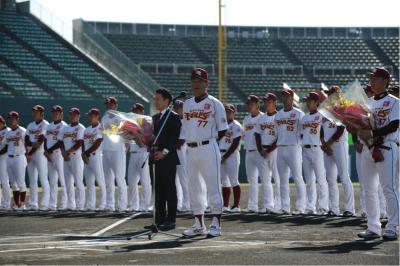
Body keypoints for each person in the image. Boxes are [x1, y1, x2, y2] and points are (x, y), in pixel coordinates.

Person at [180, 68, 228, 237]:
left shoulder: (215, 103)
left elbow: (223, 130)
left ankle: (216, 223)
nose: (196, 84)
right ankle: (199, 224)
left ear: (207, 83)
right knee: (194, 187)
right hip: (191, 149)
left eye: (199, 81)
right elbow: (186, 128)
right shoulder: (187, 104)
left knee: (213, 185)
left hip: (208, 147)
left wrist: (211, 140)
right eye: (193, 81)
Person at [354, 67, 399, 240]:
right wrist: (354, 127)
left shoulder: (395, 102)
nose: (372, 81)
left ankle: (392, 226)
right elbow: (361, 125)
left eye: (375, 78)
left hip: (386, 147)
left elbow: (393, 125)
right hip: (368, 149)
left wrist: (372, 134)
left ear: (385, 81)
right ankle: (373, 226)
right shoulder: (368, 102)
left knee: (388, 188)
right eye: (371, 78)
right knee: (369, 189)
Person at [146, 88, 181, 231]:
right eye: (155, 99)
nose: (155, 101)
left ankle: (171, 220)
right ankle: (159, 219)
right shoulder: (154, 118)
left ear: (167, 101)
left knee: (169, 189)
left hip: (167, 158)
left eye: (158, 99)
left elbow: (174, 137)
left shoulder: (173, 116)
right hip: (155, 158)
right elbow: (151, 138)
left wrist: (164, 152)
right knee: (158, 190)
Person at [321, 86, 355, 217]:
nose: (330, 96)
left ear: (339, 94)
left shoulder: (343, 108)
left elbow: (341, 130)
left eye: (333, 93)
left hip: (339, 144)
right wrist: (323, 144)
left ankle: (349, 209)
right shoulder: (324, 110)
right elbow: (322, 129)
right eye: (329, 94)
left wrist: (328, 143)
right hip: (327, 146)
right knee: (330, 178)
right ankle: (333, 208)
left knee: (344, 177)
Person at [353, 85, 386, 219]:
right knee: (365, 183)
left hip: (377, 145)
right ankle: (366, 209)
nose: (366, 94)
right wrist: (356, 142)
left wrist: (371, 142)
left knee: (382, 184)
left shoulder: (376, 106)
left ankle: (383, 210)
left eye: (367, 92)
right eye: (364, 92)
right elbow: (355, 127)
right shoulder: (359, 108)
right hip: (363, 147)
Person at [274, 87, 306, 215]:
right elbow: (276, 132)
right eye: (284, 96)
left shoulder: (299, 114)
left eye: (287, 96)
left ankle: (300, 207)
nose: (285, 98)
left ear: (292, 98)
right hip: (281, 148)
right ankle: (285, 206)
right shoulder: (278, 114)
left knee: (298, 177)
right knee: (283, 180)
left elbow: (303, 133)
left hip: (294, 147)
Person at [300, 92, 329, 215]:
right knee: (309, 181)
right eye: (307, 100)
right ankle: (310, 206)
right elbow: (301, 134)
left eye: (311, 100)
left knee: (321, 180)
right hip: (305, 150)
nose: (308, 102)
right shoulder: (304, 117)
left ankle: (323, 206)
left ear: (317, 102)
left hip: (318, 149)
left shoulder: (322, 115)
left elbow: (324, 131)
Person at [243, 95, 271, 213]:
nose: (249, 106)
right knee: (252, 181)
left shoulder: (263, 118)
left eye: (252, 103)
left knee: (265, 179)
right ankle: (252, 205)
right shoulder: (246, 119)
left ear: (257, 104)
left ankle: (268, 205)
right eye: (248, 104)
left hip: (260, 152)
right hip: (249, 152)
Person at [255, 93, 281, 212]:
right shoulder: (262, 118)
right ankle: (268, 205)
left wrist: (269, 149)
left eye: (269, 101)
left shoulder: (280, 117)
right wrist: (261, 149)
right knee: (265, 180)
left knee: (278, 179)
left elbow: (280, 135)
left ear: (275, 103)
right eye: (265, 101)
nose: (267, 103)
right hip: (263, 151)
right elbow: (257, 134)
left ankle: (279, 205)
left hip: (275, 150)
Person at [101, 96, 128, 212]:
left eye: (111, 104)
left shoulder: (121, 118)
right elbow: (105, 133)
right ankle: (109, 204)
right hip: (106, 149)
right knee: (108, 179)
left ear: (116, 105)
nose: (109, 106)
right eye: (107, 104)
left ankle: (122, 205)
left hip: (117, 150)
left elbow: (124, 132)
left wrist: (125, 146)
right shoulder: (104, 117)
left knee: (120, 179)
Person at [127, 103, 152, 212]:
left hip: (143, 153)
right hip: (133, 153)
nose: (134, 113)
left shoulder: (147, 121)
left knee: (145, 180)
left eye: (136, 111)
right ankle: (133, 205)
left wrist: (136, 134)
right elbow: (128, 137)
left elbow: (146, 139)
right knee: (131, 181)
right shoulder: (130, 122)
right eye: (133, 110)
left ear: (141, 111)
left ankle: (145, 205)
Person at [60, 107, 85, 211]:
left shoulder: (81, 128)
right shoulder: (65, 128)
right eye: (71, 114)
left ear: (78, 116)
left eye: (75, 114)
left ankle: (80, 205)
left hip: (76, 156)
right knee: (68, 182)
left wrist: (67, 152)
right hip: (66, 157)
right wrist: (63, 152)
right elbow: (60, 142)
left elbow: (79, 143)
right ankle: (71, 204)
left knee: (78, 181)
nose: (72, 116)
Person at [25, 105, 50, 211]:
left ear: (41, 113)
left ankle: (45, 204)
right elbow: (26, 139)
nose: (34, 113)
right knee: (32, 180)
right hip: (31, 154)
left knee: (43, 179)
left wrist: (29, 153)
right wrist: (31, 146)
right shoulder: (30, 125)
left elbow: (40, 141)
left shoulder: (46, 125)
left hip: (40, 154)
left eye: (36, 111)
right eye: (33, 111)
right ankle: (33, 204)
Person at [219, 104, 243, 213]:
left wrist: (225, 156)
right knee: (224, 181)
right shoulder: (220, 125)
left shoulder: (237, 126)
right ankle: (225, 205)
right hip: (221, 154)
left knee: (234, 180)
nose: (227, 113)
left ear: (234, 112)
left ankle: (237, 205)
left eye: (230, 111)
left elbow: (235, 144)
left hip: (232, 155)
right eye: (226, 111)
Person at [83, 108, 106, 211]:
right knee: (89, 183)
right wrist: (84, 154)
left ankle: (104, 204)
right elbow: (84, 144)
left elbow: (98, 142)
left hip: (96, 156)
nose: (90, 117)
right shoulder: (86, 129)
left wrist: (86, 153)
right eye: (89, 115)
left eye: (92, 115)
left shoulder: (100, 128)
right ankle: (90, 205)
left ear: (97, 116)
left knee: (101, 182)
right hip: (87, 158)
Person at [45, 105, 68, 211]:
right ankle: (52, 205)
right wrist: (46, 151)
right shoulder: (49, 126)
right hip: (50, 154)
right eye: (53, 112)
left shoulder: (64, 126)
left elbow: (61, 142)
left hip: (59, 154)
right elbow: (46, 140)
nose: (55, 113)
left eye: (57, 112)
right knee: (52, 181)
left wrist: (49, 151)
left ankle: (64, 204)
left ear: (61, 114)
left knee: (63, 181)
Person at [5, 111, 27, 211]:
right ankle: (16, 204)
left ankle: (23, 204)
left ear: (17, 119)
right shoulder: (8, 132)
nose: (11, 120)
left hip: (19, 157)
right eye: (10, 118)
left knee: (21, 182)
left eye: (13, 118)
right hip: (9, 158)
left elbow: (28, 144)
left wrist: (28, 155)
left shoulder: (22, 131)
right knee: (13, 183)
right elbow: (5, 145)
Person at [173, 100, 191, 213]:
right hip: (174, 149)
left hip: (184, 148)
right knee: (175, 179)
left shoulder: (187, 119)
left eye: (180, 107)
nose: (178, 109)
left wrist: (179, 142)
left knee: (184, 177)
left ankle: (186, 203)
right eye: (177, 107)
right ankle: (178, 203)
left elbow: (186, 135)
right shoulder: (173, 119)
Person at [0, 115, 10, 210]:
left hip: (4, 157)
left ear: (3, 122)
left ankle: (6, 203)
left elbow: (6, 147)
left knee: (4, 181)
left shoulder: (8, 131)